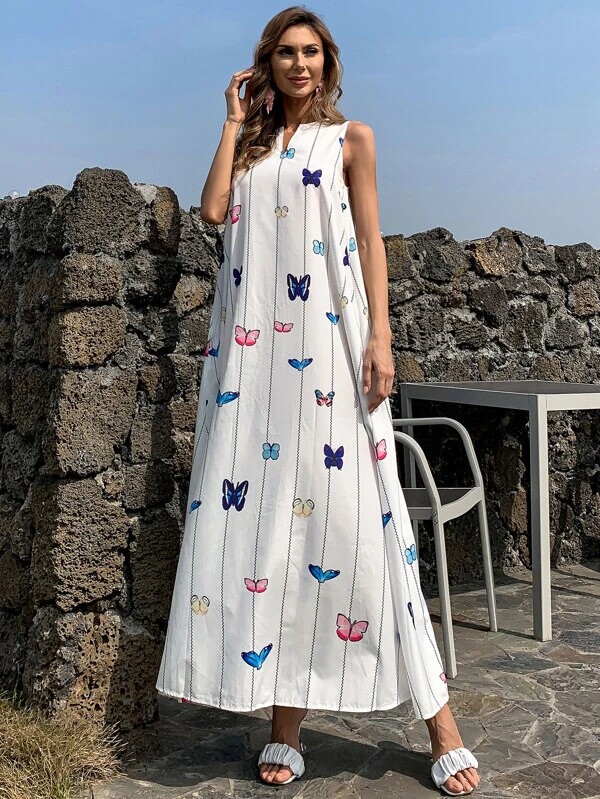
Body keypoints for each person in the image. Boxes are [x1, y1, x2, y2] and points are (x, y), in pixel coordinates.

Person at [156, 6, 481, 796]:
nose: (300, 64)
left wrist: (382, 339)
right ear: (267, 65)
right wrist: (232, 121)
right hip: (254, 368)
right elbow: (212, 211)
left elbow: (370, 241)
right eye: (286, 53)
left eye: (311, 53)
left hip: (333, 356)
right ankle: (285, 725)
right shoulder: (253, 144)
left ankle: (441, 722)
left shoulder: (350, 140)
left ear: (327, 64)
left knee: (366, 528)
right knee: (270, 530)